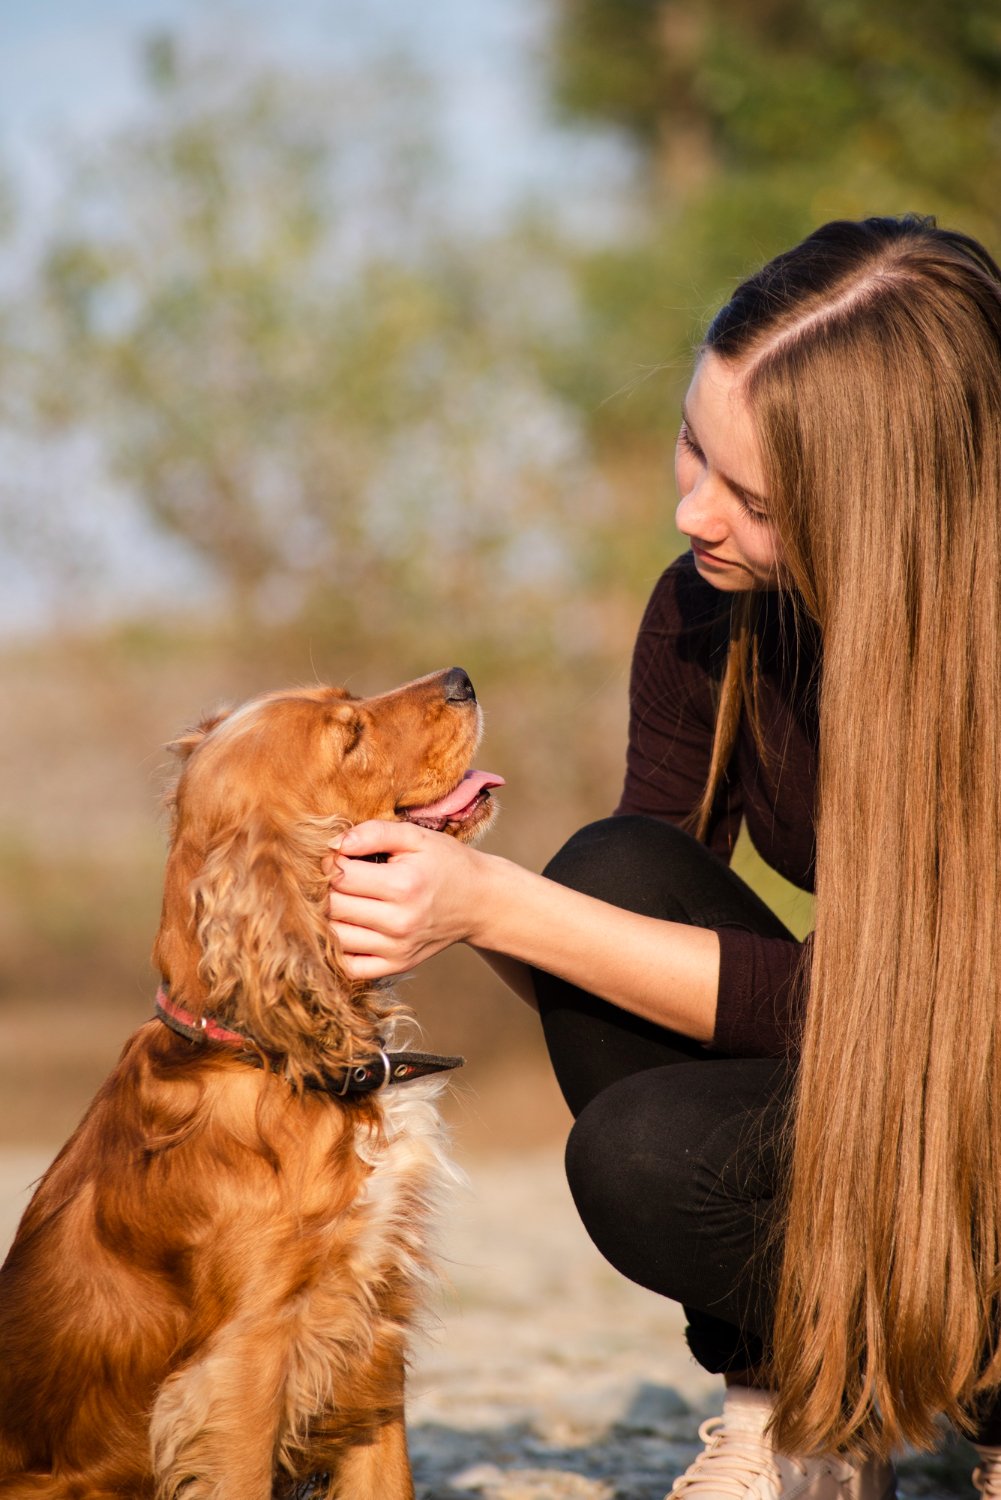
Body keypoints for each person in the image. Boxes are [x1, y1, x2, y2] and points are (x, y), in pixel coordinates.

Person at [325, 215, 1001, 1500]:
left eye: (754, 498)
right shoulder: (707, 609)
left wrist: (499, 907)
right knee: (614, 889)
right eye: (694, 441)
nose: (690, 508)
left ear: (889, 510)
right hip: (881, 1102)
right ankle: (794, 1408)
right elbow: (616, 947)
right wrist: (471, 906)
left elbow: (893, 1013)